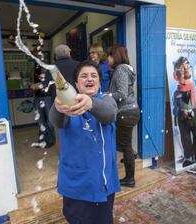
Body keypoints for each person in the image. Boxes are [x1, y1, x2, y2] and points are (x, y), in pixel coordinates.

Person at [49, 60, 120, 224]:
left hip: (102, 183)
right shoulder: (67, 104)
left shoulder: (107, 100)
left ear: (99, 81)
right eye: (84, 76)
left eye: (94, 75)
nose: (90, 79)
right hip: (76, 184)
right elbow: (57, 121)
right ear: (76, 83)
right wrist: (57, 108)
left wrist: (91, 103)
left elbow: (109, 114)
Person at [107, 44, 140, 188]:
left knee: (126, 147)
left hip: (125, 112)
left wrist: (106, 95)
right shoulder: (127, 69)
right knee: (126, 146)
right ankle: (130, 162)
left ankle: (130, 179)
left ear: (115, 56)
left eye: (109, 55)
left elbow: (121, 94)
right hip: (131, 111)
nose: (108, 59)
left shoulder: (121, 69)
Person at [172, 56, 196, 167]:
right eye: (182, 69)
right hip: (183, 118)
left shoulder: (194, 89)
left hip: (194, 114)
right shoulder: (176, 93)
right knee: (185, 138)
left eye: (187, 67)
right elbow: (174, 108)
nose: (186, 70)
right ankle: (188, 157)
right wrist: (180, 110)